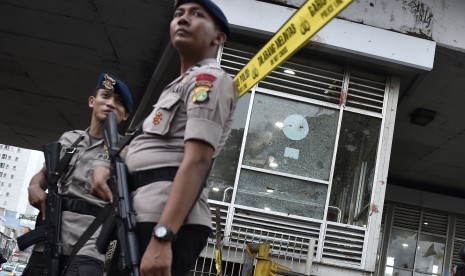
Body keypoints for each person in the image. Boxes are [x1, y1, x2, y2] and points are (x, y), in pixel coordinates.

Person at [91, 0, 238, 274]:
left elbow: (198, 161)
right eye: (178, 14)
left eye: (196, 14)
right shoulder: (177, 86)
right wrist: (105, 166)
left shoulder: (209, 79)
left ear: (218, 37)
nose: (183, 19)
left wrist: (163, 235)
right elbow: (145, 148)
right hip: (140, 212)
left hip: (165, 219)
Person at [23, 73, 133, 276]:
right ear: (92, 101)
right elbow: (42, 176)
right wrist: (34, 187)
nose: (110, 103)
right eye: (105, 96)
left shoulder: (126, 151)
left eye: (118, 102)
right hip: (50, 238)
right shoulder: (69, 139)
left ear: (125, 115)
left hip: (90, 245)